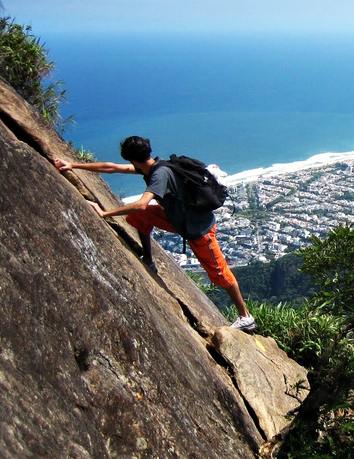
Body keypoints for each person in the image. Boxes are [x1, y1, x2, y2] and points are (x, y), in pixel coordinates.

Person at [55, 136, 255, 331]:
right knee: (141, 218)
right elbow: (112, 167)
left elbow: (142, 203)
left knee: (220, 274)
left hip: (199, 230)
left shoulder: (159, 174)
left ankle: (245, 317)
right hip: (179, 220)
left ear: (132, 158)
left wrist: (105, 213)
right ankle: (149, 259)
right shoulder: (154, 166)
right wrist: (73, 166)